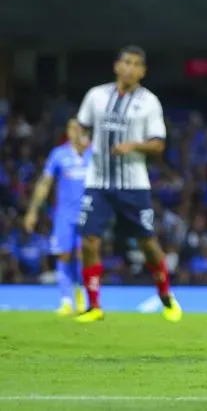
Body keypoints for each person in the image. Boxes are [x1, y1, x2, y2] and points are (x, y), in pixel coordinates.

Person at [73, 46, 182, 323]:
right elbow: (80, 125)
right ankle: (94, 305)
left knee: (147, 242)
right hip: (97, 181)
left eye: (136, 64)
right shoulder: (96, 96)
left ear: (143, 72)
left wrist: (133, 145)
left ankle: (166, 296)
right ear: (116, 66)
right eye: (126, 63)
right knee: (88, 240)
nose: (130, 68)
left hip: (134, 185)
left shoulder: (149, 102)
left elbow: (158, 144)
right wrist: (80, 141)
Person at [23, 120, 90, 315]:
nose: (74, 132)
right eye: (70, 128)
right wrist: (33, 211)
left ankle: (81, 295)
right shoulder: (59, 154)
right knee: (64, 254)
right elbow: (45, 183)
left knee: (83, 256)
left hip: (87, 213)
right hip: (64, 215)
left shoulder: (93, 154)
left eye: (78, 128)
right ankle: (66, 300)